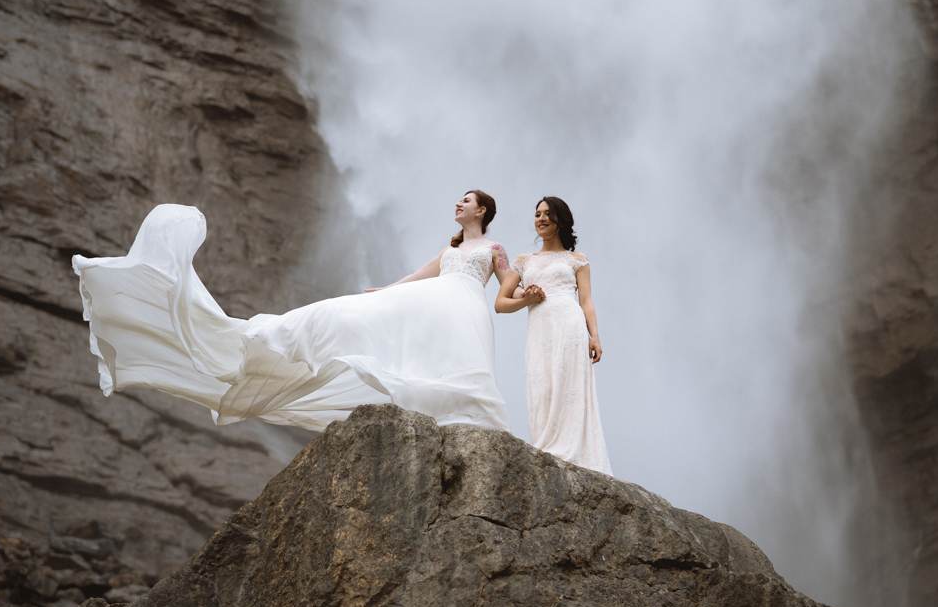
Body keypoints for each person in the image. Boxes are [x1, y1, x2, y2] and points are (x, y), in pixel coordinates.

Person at [73, 189, 516, 433]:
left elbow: (507, 279)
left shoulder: (493, 249)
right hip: (438, 298)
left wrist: (526, 290)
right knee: (358, 317)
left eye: (466, 200)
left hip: (467, 305)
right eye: (456, 198)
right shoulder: (450, 248)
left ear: (482, 210)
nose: (457, 203)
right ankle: (267, 340)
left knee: (457, 356)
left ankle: (462, 409)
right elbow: (420, 275)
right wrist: (384, 290)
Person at [496, 195, 611, 474]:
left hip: (569, 325)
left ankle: (576, 454)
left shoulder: (577, 261)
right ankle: (547, 448)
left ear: (560, 219)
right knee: (542, 383)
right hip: (540, 328)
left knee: (568, 383)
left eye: (547, 214)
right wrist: (527, 301)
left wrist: (594, 336)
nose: (541, 218)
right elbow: (500, 303)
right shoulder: (525, 262)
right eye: (537, 214)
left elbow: (586, 301)